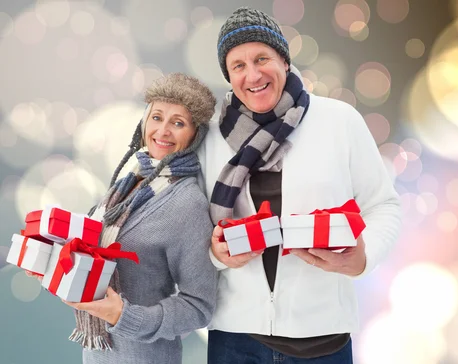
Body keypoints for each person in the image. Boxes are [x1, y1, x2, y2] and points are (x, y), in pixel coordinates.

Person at [197, 7, 402, 363]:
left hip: (323, 338)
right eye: (238, 66)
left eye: (262, 58)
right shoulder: (211, 138)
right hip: (235, 339)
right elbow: (191, 229)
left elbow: (383, 204)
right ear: (228, 77)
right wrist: (216, 255)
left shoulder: (339, 121)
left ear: (285, 62)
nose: (253, 74)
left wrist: (362, 259)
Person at [61, 73, 219, 364]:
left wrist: (123, 315)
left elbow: (198, 307)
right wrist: (52, 265)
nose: (163, 130)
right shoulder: (128, 184)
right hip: (99, 355)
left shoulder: (187, 203)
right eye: (157, 117)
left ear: (194, 135)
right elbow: (94, 256)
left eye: (178, 122)